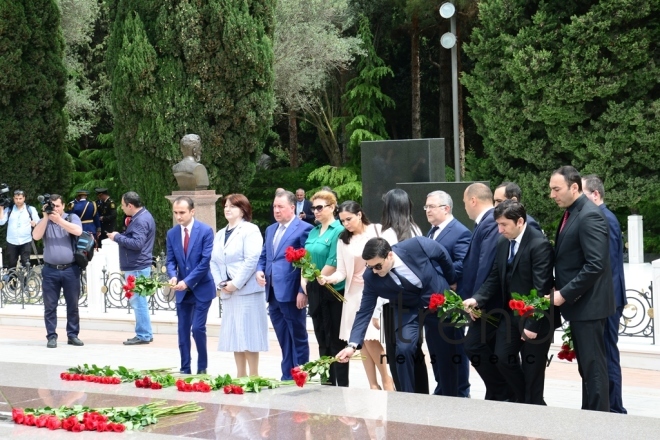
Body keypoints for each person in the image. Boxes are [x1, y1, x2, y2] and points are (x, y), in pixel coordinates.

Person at [463, 200, 557, 404]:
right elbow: (495, 277)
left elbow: (541, 288)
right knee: (502, 357)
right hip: (511, 314)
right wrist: (477, 298)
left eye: (504, 224)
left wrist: (532, 324)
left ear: (520, 221)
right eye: (498, 224)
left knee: (533, 371)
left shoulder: (539, 244)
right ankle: (523, 401)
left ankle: (533, 406)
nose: (500, 229)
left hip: (536, 318)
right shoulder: (502, 242)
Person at [336, 236, 456, 394]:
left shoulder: (416, 246)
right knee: (403, 349)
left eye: (378, 266)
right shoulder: (371, 277)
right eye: (369, 266)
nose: (374, 271)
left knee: (445, 351)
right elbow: (364, 311)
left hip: (437, 297)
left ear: (390, 255)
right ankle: (407, 396)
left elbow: (442, 255)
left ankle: (451, 394)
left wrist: (451, 280)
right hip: (406, 308)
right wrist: (352, 345)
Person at [549, 165, 615, 412]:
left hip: (589, 306)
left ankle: (598, 424)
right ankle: (589, 417)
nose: (552, 194)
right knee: (587, 368)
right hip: (581, 306)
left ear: (574, 187)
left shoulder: (589, 215)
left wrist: (564, 293)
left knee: (593, 367)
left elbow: (595, 264)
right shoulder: (572, 212)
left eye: (556, 189)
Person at [319, 201, 394, 390]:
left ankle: (387, 379)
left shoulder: (377, 231)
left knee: (371, 339)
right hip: (353, 295)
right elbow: (342, 272)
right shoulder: (343, 240)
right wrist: (328, 279)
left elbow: (391, 258)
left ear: (360, 214)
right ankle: (373, 384)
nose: (346, 224)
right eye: (342, 221)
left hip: (376, 291)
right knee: (361, 343)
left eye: (349, 219)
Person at [461, 182, 512, 401]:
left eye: (464, 203)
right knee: (486, 348)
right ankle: (497, 393)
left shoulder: (491, 222)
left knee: (473, 346)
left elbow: (487, 264)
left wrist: (478, 300)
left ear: (473, 200)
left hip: (489, 301)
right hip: (485, 299)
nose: (464, 207)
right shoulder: (485, 223)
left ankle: (503, 390)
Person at [582, 174, 627, 413]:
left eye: (583, 193)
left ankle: (614, 408)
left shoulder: (605, 219)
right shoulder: (601, 217)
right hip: (604, 299)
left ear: (595, 195)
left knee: (607, 354)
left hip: (607, 300)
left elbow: (604, 265)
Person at [256, 190, 313, 380]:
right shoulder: (271, 229)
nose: (276, 210)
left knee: (297, 335)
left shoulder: (304, 228)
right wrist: (259, 270)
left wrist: (302, 291)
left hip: (291, 292)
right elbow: (265, 255)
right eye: (274, 206)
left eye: (280, 207)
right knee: (282, 335)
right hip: (272, 291)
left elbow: (306, 263)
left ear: (292, 207)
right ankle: (287, 374)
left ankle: (302, 373)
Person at [210, 194, 268, 377]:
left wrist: (235, 283)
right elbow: (214, 262)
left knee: (249, 334)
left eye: (232, 206)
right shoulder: (220, 233)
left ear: (243, 210)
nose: (227, 209)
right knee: (235, 334)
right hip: (228, 291)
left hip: (247, 290)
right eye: (226, 206)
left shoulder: (250, 230)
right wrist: (221, 283)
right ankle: (240, 375)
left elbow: (252, 259)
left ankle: (254, 376)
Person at [424, 190, 471, 397]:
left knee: (454, 351)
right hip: (432, 303)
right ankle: (442, 387)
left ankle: (460, 391)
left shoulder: (459, 232)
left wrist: (436, 276)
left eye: (431, 206)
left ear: (446, 208)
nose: (427, 210)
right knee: (436, 351)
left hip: (450, 303)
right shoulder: (431, 231)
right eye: (426, 207)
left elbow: (463, 264)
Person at [379, 188, 426, 393]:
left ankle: (405, 394)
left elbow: (382, 271)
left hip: (393, 301)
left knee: (395, 351)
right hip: (415, 299)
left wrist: (377, 307)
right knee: (414, 350)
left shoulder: (388, 234)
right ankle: (420, 392)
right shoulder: (416, 229)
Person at [166, 196, 216, 374]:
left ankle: (202, 367)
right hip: (182, 292)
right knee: (182, 331)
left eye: (182, 212)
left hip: (202, 288)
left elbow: (205, 262)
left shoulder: (205, 231)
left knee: (197, 328)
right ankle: (185, 368)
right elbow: (170, 260)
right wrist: (172, 276)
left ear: (192, 211)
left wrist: (186, 282)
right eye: (175, 213)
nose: (178, 216)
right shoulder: (172, 234)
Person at [303, 190, 347, 386]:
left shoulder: (338, 230)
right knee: (321, 337)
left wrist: (316, 277)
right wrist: (304, 280)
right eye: (313, 208)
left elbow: (333, 261)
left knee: (336, 340)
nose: (316, 211)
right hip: (314, 288)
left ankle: (341, 385)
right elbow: (304, 259)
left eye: (319, 207)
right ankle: (326, 382)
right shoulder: (313, 231)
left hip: (332, 289)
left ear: (332, 207)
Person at [31, 194, 84, 348]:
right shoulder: (45, 221)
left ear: (63, 206)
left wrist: (59, 220)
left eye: (57, 206)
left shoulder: (71, 217)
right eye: (52, 205)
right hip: (50, 270)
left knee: (72, 305)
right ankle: (51, 336)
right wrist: (46, 217)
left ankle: (72, 335)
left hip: (71, 269)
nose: (55, 208)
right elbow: (36, 236)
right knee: (50, 305)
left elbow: (78, 231)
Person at [107, 192, 156, 346]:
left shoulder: (140, 220)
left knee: (138, 301)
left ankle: (143, 334)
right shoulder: (143, 216)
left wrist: (117, 237)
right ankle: (145, 332)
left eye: (122, 205)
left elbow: (137, 244)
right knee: (139, 300)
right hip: (138, 264)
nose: (121, 208)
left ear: (130, 205)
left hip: (137, 266)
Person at [0, 189, 39, 269]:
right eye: (16, 199)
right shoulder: (9, 210)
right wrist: (1, 208)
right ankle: (12, 280)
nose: (18, 201)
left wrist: (34, 224)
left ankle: (25, 280)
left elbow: (38, 222)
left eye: (20, 198)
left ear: (24, 198)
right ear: (13, 198)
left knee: (26, 263)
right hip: (12, 241)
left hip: (26, 240)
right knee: (11, 264)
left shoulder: (31, 209)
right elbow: (1, 222)